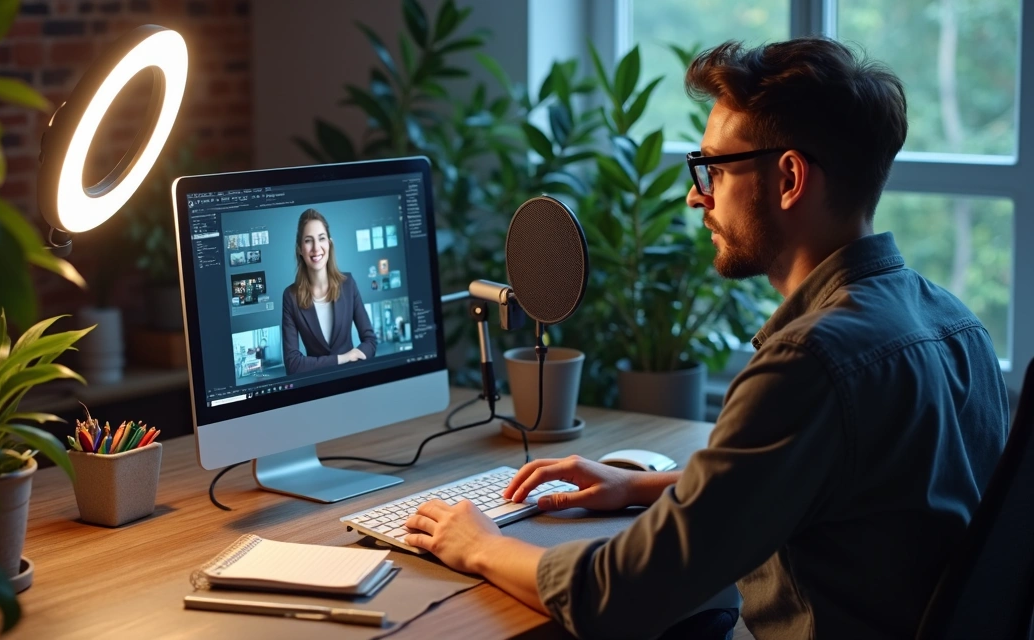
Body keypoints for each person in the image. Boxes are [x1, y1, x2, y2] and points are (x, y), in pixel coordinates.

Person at [401, 37, 1009, 639]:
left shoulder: (809, 363)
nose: (697, 195)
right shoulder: (956, 324)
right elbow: (841, 488)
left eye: (714, 168)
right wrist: (638, 485)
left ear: (790, 178)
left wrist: (476, 545)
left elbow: (618, 596)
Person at [281, 208, 377, 374]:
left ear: (329, 244)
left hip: (353, 380)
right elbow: (293, 364)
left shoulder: (348, 284)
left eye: (321, 238)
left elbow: (370, 341)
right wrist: (343, 358)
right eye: (308, 241)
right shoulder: (290, 296)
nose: (316, 248)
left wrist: (356, 357)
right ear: (299, 249)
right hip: (317, 389)